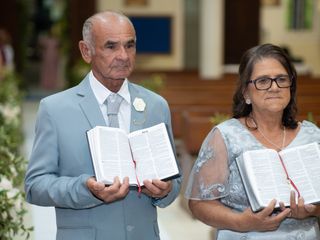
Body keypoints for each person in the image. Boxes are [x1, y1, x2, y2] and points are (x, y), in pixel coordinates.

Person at [25, 11, 181, 240]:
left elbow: (174, 179)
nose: (123, 55)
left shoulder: (155, 106)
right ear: (86, 51)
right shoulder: (55, 109)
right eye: (111, 46)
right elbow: (35, 186)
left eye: (130, 46)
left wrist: (165, 190)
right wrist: (85, 189)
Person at [185, 43, 320, 239]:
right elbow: (199, 204)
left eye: (281, 79)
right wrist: (241, 222)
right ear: (246, 92)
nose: (274, 87)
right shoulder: (226, 137)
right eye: (263, 81)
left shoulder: (312, 136)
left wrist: (313, 211)